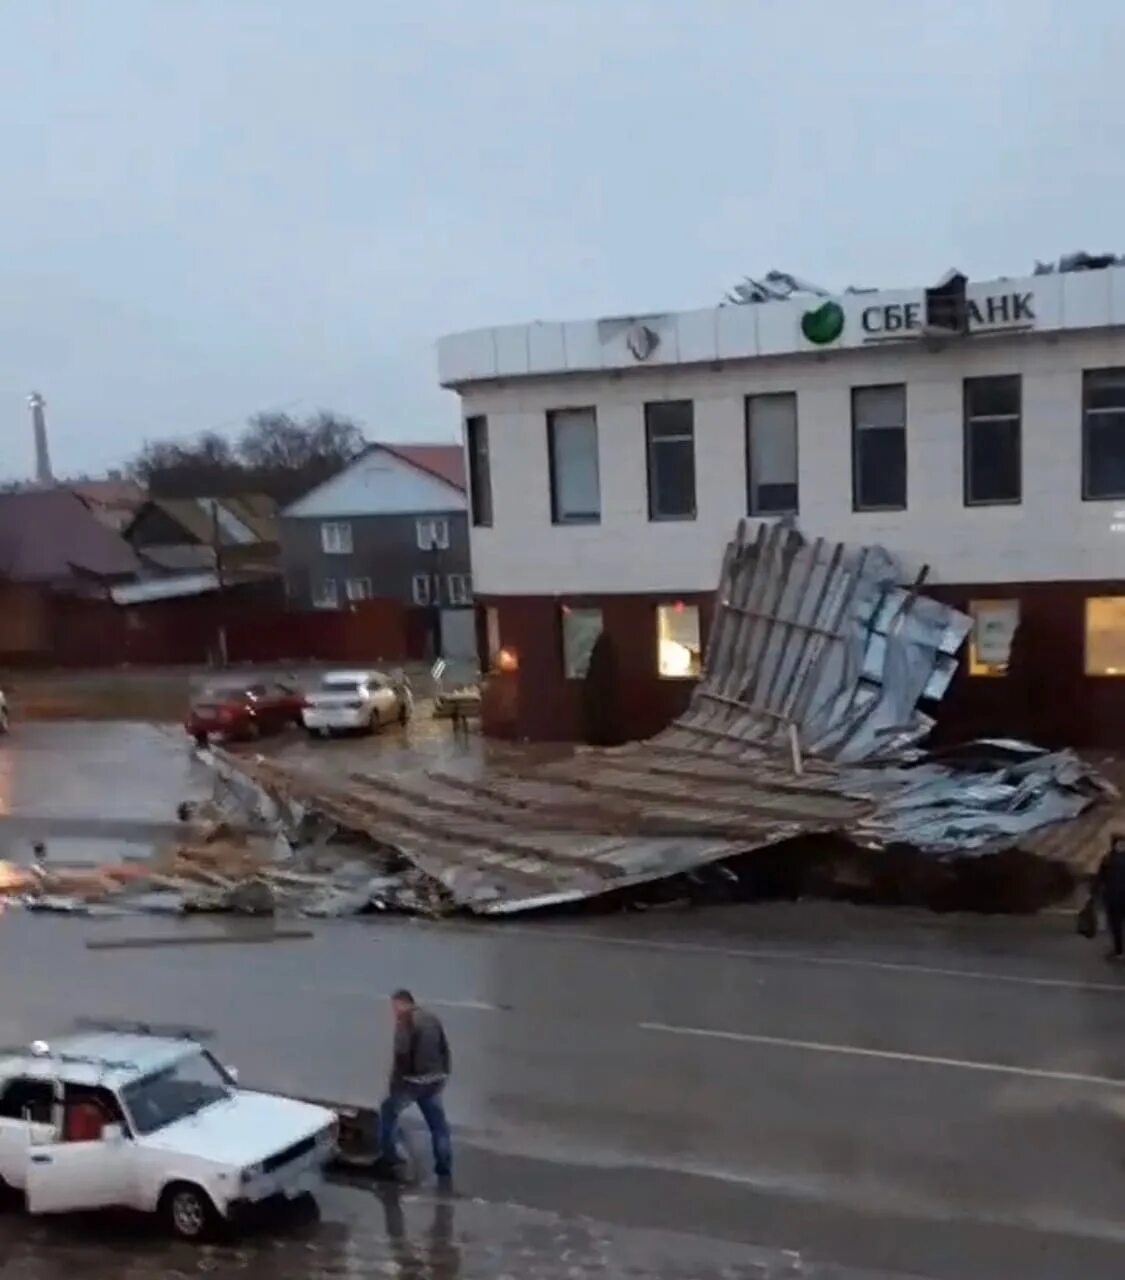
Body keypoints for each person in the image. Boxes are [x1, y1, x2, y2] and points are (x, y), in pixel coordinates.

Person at [375, 989, 453, 1182]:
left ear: (403, 1003)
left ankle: (389, 1156)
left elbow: (401, 1055)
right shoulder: (432, 1018)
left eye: (395, 1006)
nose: (394, 1011)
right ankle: (444, 1167)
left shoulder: (405, 1022)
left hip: (412, 1082)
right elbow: (445, 1048)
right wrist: (443, 1075)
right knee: (438, 1126)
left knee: (388, 1111)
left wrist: (395, 1085)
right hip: (434, 1080)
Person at [1095, 835, 1125, 960]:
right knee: (1115, 926)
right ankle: (1119, 951)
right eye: (1119, 844)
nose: (1121, 846)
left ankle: (1119, 951)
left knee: (1117, 925)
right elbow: (1100, 877)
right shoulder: (1107, 859)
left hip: (1119, 896)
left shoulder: (1108, 859)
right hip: (1112, 897)